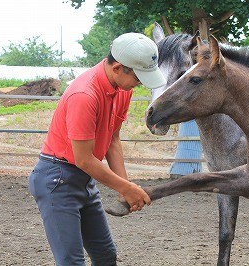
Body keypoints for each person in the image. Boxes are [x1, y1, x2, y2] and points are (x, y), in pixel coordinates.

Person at [28, 32, 166, 266]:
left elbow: (112, 139)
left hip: (83, 178)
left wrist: (124, 188)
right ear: (118, 68)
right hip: (58, 179)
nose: (140, 83)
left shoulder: (122, 90)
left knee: (105, 256)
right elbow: (83, 159)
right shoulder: (84, 95)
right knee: (71, 262)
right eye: (138, 76)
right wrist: (128, 187)